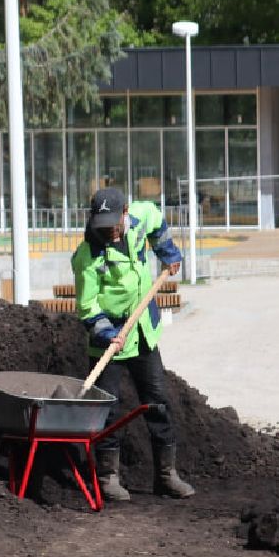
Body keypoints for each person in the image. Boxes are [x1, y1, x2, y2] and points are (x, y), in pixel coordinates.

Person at [71, 186, 194, 501]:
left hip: (141, 331)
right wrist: (106, 332)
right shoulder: (87, 256)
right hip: (108, 340)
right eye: (103, 224)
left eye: (114, 222)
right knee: (107, 409)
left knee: (157, 400)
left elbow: (157, 221)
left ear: (125, 213)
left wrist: (166, 252)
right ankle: (108, 476)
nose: (110, 230)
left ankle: (166, 476)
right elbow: (87, 306)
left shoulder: (140, 218)